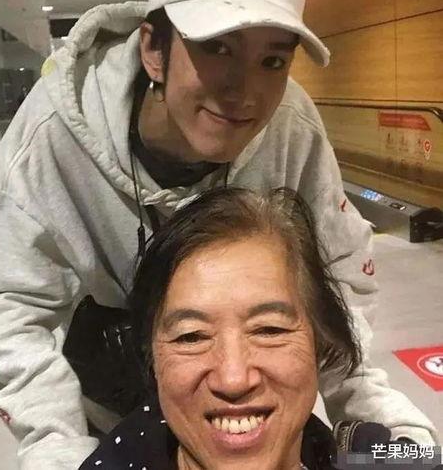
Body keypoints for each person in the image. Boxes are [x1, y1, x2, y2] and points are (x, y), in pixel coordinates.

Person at [0, 0, 437, 468]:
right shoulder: (51, 138)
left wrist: (368, 411)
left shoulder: (290, 128)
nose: (244, 93)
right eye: (217, 48)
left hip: (255, 415)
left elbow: (337, 274)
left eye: (272, 60)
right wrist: (58, 445)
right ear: (154, 51)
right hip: (108, 393)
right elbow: (3, 303)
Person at [77, 188, 402, 470]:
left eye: (269, 330)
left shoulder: (361, 453)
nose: (233, 379)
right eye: (192, 336)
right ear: (153, 360)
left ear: (321, 342)